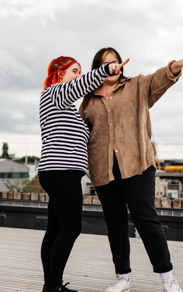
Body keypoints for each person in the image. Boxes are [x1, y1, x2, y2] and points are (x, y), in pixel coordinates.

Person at [79, 47, 183, 292]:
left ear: (121, 65)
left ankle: (168, 279)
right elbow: (83, 132)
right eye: (106, 64)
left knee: (146, 220)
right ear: (98, 68)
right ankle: (122, 278)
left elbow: (160, 78)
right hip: (104, 170)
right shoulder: (89, 100)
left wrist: (177, 65)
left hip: (137, 165)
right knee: (115, 224)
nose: (112, 66)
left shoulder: (136, 86)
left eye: (115, 62)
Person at [39, 55, 128, 292]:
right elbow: (79, 86)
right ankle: (53, 286)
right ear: (59, 74)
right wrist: (107, 69)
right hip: (61, 171)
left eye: (79, 72)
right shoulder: (55, 93)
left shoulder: (62, 105)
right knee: (71, 228)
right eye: (74, 71)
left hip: (57, 171)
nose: (78, 76)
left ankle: (51, 285)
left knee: (56, 229)